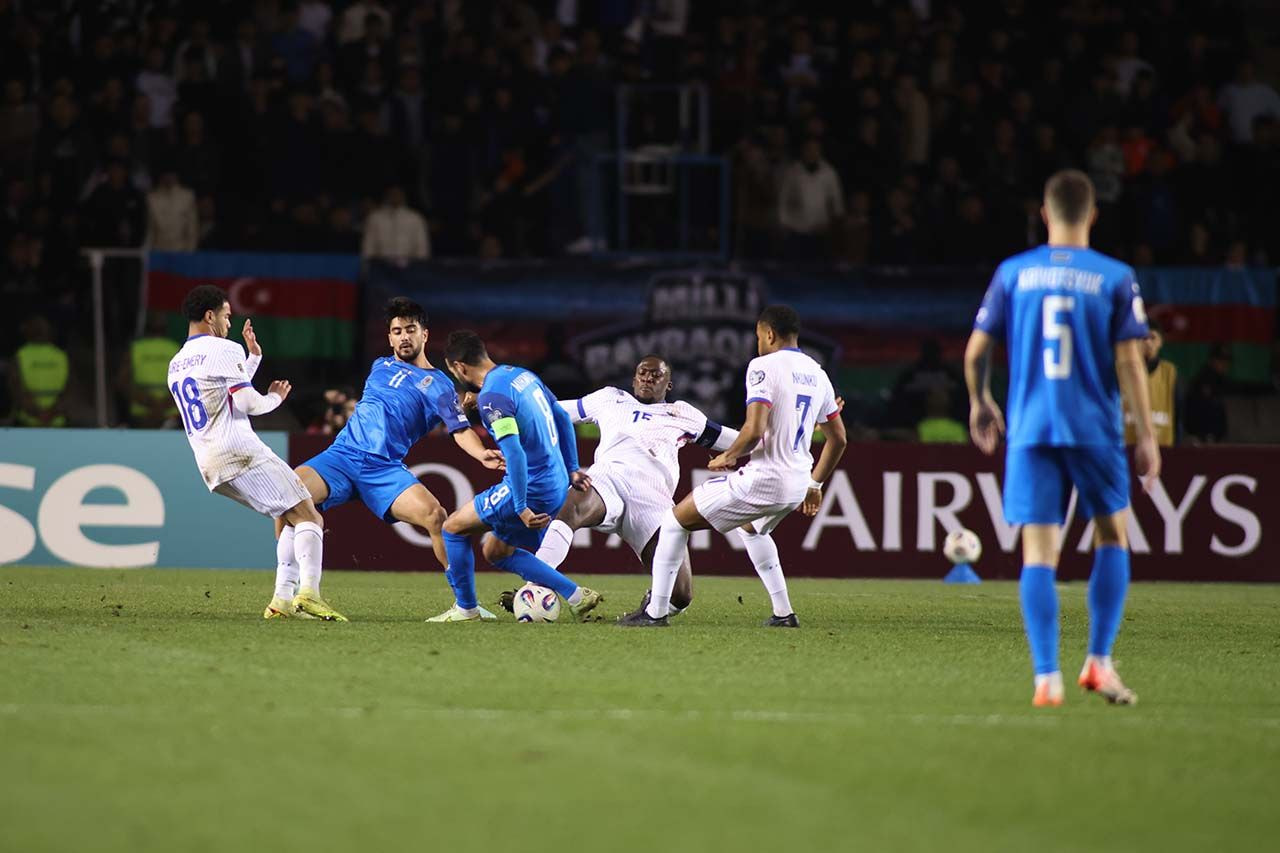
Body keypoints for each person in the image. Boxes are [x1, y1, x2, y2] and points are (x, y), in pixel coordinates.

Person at [964, 169, 1160, 708]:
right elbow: (1129, 362)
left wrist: (982, 402)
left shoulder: (1013, 273)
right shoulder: (1115, 276)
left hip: (1031, 429)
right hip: (1094, 430)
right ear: (1092, 216)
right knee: (1112, 538)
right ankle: (1098, 662)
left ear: (1045, 215)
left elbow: (976, 352)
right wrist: (1146, 434)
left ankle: (1045, 678)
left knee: (1038, 555)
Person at [619, 305, 847, 628]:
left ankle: (655, 612)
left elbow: (754, 431)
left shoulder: (762, 367)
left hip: (766, 478)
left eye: (758, 336)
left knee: (673, 522)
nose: (758, 344)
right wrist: (815, 485)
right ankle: (784, 613)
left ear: (769, 333)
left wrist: (730, 455)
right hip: (798, 482)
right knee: (753, 529)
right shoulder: (818, 375)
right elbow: (838, 440)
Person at [286, 298, 506, 615]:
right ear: (389, 337)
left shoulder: (440, 386)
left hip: (383, 470)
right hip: (342, 457)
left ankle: (466, 607)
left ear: (424, 335)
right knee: (286, 493)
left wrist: (481, 453)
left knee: (436, 518)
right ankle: (288, 594)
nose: (404, 337)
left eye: (410, 330)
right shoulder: (379, 366)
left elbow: (458, 429)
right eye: (397, 331)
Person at [499, 356, 744, 618]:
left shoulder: (683, 414)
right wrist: (504, 412)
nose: (648, 378)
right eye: (642, 373)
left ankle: (652, 605)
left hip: (654, 499)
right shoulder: (610, 399)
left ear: (669, 385)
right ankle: (534, 588)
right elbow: (549, 412)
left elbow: (737, 440)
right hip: (609, 478)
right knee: (572, 507)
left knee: (680, 596)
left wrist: (776, 445)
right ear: (634, 379)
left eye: (656, 375)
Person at [167, 285, 344, 621]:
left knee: (291, 517)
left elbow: (223, 396)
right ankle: (309, 594)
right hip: (239, 450)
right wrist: (275, 397)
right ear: (210, 316)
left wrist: (254, 359)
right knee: (311, 517)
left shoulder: (176, 364)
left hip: (209, 463)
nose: (229, 323)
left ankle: (281, 601)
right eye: (226, 315)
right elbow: (247, 403)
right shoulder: (222, 347)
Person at [432, 330, 603, 623]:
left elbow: (515, 455)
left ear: (459, 367)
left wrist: (521, 506)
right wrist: (574, 467)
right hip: (557, 480)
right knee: (496, 549)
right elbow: (562, 417)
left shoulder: (492, 398)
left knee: (452, 527)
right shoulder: (521, 375)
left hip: (530, 487)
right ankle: (577, 596)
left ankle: (466, 610)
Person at [1123, 316, 1178, 446]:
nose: (1147, 342)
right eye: (1143, 338)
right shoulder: (1121, 370)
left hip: (1163, 447)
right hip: (1128, 447)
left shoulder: (1170, 373)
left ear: (1161, 342)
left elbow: (1179, 415)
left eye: (1152, 337)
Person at [122, 314, 181, 428]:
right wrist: (163, 405)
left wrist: (149, 403)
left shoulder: (135, 349)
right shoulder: (176, 348)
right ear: (166, 329)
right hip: (170, 414)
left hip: (143, 414)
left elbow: (122, 382)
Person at [11, 315, 69, 427]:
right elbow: (70, 391)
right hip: (56, 421)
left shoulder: (21, 356)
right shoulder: (61, 356)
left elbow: (16, 389)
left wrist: (38, 413)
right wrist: (52, 413)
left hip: (28, 421)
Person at [361, 185, 430, 263]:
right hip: (381, 266)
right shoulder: (374, 218)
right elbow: (368, 246)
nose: (395, 196)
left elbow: (422, 247)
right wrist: (366, 265)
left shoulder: (415, 218)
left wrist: (420, 265)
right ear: (387, 195)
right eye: (392, 194)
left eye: (398, 194)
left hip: (409, 266)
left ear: (403, 195)